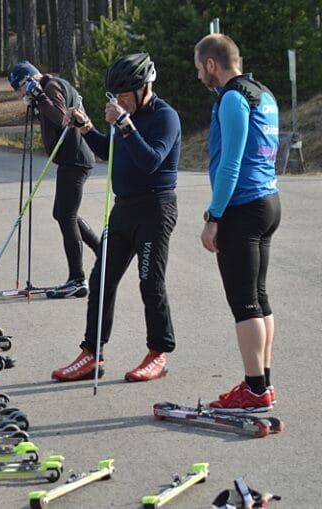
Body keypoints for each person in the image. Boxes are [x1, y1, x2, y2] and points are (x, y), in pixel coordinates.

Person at [51, 53, 181, 383]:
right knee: (101, 279)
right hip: (123, 208)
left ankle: (158, 353)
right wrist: (87, 128)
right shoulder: (126, 119)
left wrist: (125, 125)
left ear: (144, 88)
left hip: (155, 209)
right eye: (116, 97)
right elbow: (111, 150)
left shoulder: (165, 117)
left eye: (125, 95)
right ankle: (92, 353)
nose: (120, 102)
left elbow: (150, 160)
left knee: (150, 281)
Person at [194, 34, 281, 412]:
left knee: (244, 303)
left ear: (212, 64)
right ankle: (262, 383)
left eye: (200, 68)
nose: (199, 76)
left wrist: (214, 217)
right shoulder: (264, 93)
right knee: (258, 299)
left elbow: (230, 164)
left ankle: (255, 390)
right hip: (267, 201)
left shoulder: (232, 98)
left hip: (244, 208)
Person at [7, 60, 99, 297]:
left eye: (19, 89)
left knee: (66, 215)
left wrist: (39, 98)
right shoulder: (50, 87)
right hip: (72, 159)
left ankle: (78, 278)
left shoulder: (51, 88)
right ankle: (104, 252)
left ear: (29, 80)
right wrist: (36, 104)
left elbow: (60, 117)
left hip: (75, 159)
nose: (20, 94)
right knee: (62, 213)